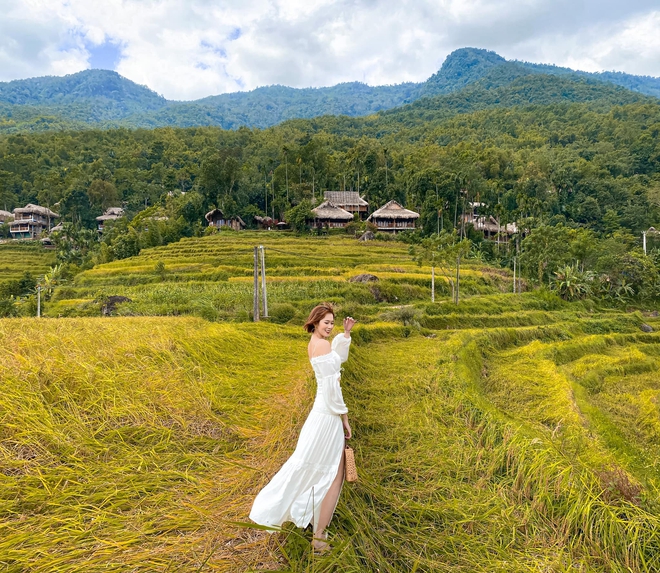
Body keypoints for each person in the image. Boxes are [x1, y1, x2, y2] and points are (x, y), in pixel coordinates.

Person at [250, 303, 356, 553]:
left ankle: (312, 523)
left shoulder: (315, 343)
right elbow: (332, 387)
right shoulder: (322, 345)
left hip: (321, 412)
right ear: (316, 321)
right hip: (327, 414)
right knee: (334, 475)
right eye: (326, 322)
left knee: (320, 469)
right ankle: (319, 536)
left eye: (332, 322)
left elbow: (337, 362)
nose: (330, 326)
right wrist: (344, 417)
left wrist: (346, 334)